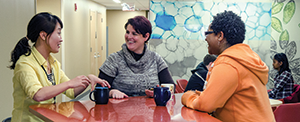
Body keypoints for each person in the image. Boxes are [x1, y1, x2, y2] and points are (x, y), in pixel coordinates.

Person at [9, 12, 110, 122]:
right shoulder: (24, 63)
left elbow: (71, 92)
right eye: (58, 33)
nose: (61, 39)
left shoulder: (53, 63)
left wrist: (89, 79)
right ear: (43, 35)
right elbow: (38, 95)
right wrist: (68, 83)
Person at [181, 11, 275, 122]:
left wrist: (187, 96)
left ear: (220, 36)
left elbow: (205, 105)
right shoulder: (247, 59)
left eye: (207, 33)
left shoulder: (228, 63)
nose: (205, 38)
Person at [96, 16, 175, 99]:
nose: (129, 37)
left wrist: (158, 91)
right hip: (120, 110)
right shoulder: (113, 60)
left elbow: (171, 87)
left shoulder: (156, 59)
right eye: (127, 32)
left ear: (146, 36)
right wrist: (111, 92)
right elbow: (97, 92)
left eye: (134, 34)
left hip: (150, 110)